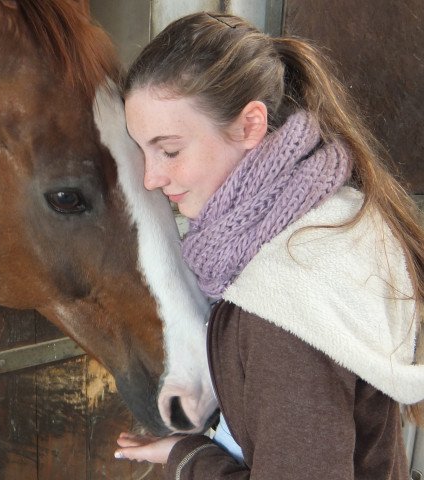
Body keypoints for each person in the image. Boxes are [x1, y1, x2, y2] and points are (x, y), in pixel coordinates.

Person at [114, 11, 424, 479]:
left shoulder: (284, 303)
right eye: (145, 151)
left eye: (170, 150)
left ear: (251, 125)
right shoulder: (335, 216)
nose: (152, 178)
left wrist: (191, 461)